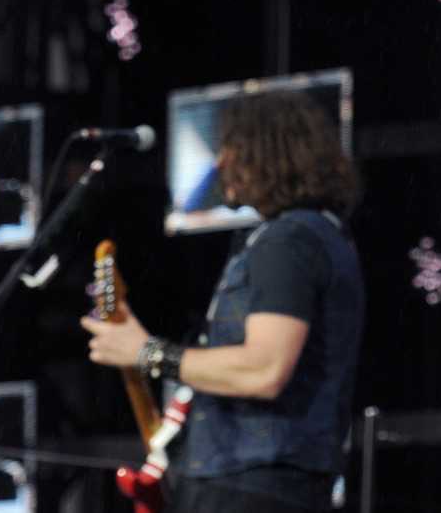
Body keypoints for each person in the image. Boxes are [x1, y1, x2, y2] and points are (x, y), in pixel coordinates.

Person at [82, 92, 365, 513]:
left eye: (231, 147)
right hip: (253, 480)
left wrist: (147, 353)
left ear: (267, 151)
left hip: (253, 486)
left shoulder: (290, 241)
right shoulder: (306, 237)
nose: (220, 163)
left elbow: (263, 369)